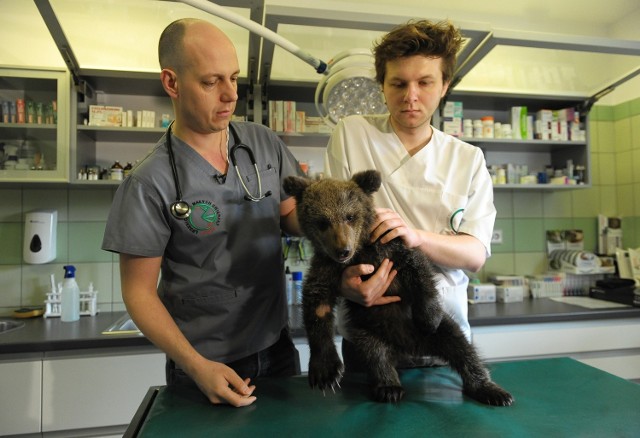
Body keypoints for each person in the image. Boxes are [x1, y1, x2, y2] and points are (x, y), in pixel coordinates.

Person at [102, 18, 304, 407]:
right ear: (172, 83)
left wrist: (333, 224)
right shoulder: (148, 182)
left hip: (277, 345)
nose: (230, 95)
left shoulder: (262, 142)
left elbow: (290, 216)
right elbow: (138, 293)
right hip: (206, 361)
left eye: (233, 78)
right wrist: (195, 365)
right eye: (211, 82)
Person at [325, 20, 496, 365]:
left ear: (445, 85)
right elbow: (331, 231)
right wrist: (345, 284)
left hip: (441, 336)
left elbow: (475, 254)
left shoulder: (467, 158)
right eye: (398, 83)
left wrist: (415, 237)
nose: (411, 96)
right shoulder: (353, 134)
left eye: (425, 82)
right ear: (382, 85)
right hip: (370, 332)